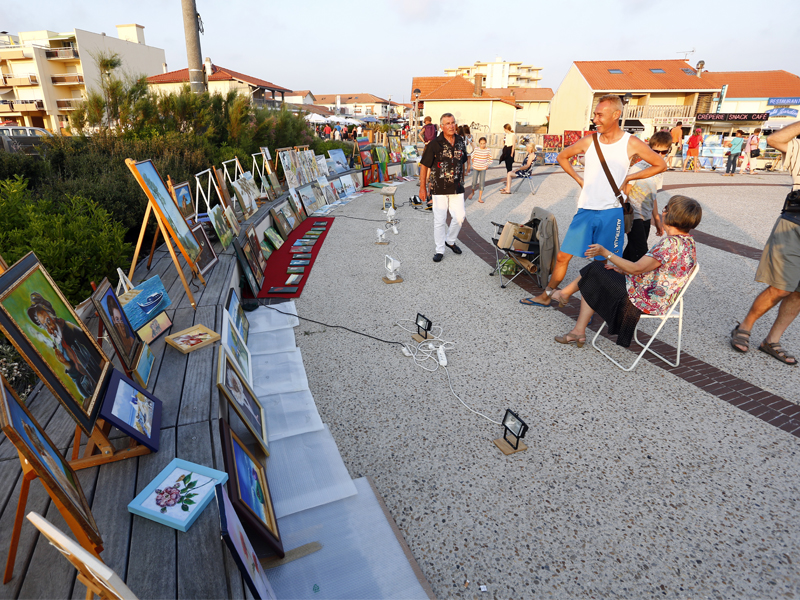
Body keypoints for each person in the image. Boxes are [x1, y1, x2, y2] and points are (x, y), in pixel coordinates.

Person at [521, 94, 667, 307]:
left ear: (616, 114)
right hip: (586, 210)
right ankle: (547, 295)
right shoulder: (590, 140)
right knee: (563, 257)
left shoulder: (631, 142)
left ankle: (586, 313)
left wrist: (630, 176)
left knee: (604, 264)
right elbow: (563, 156)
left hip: (612, 213)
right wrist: (579, 179)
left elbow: (660, 164)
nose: (595, 119)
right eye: (595, 115)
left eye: (600, 115)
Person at [551, 195, 702, 348]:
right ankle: (575, 325)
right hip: (658, 298)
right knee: (599, 273)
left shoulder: (669, 244)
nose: (663, 211)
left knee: (595, 270)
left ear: (669, 214)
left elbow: (637, 268)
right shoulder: (688, 242)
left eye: (665, 208)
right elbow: (656, 271)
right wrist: (622, 271)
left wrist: (606, 253)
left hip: (643, 299)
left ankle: (565, 299)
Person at [730, 120, 800, 365]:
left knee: (799, 292)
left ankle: (772, 340)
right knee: (782, 286)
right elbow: (774, 140)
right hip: (795, 225)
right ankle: (745, 325)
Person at [419, 113, 468, 262]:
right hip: (439, 187)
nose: (451, 126)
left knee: (460, 217)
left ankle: (450, 240)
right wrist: (423, 188)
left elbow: (463, 161)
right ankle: (439, 249)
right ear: (441, 126)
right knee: (439, 220)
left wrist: (463, 178)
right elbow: (424, 166)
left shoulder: (460, 141)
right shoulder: (434, 144)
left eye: (453, 123)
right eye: (447, 123)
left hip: (457, 187)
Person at [621, 131, 670, 262]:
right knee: (641, 252)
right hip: (634, 215)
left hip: (647, 216)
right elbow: (626, 192)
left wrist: (657, 220)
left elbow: (653, 196)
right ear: (649, 149)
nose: (659, 155)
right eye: (656, 151)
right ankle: (638, 279)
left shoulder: (660, 170)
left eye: (664, 152)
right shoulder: (638, 168)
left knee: (632, 249)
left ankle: (618, 275)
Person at [468, 137, 492, 203]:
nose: (482, 145)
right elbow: (472, 156)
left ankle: (479, 198)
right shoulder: (476, 149)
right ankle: (472, 193)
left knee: (482, 183)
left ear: (486, 143)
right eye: (481, 143)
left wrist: (487, 165)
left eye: (484, 143)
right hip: (476, 168)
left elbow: (490, 159)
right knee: (474, 182)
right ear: (479, 143)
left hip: (483, 168)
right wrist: (473, 163)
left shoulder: (488, 150)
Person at [499, 124, 516, 194]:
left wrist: (512, 154)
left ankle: (508, 187)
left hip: (510, 150)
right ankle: (507, 186)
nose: (504, 130)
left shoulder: (513, 135)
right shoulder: (506, 135)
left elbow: (513, 145)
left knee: (509, 169)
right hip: (506, 149)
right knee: (507, 168)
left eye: (504, 129)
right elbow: (506, 142)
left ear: (507, 128)